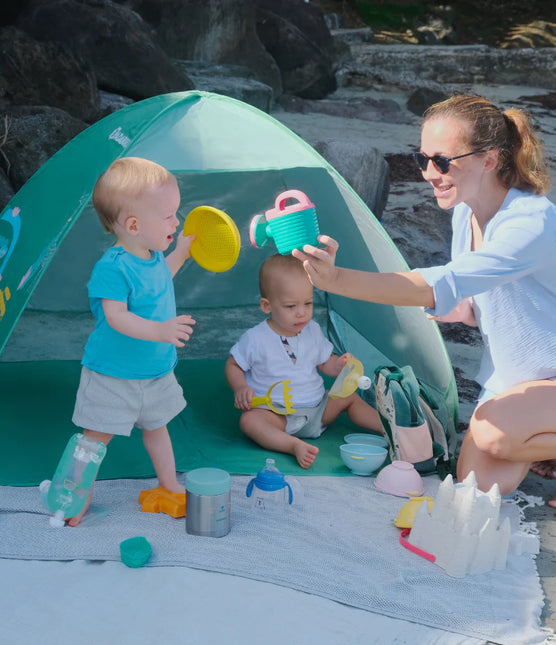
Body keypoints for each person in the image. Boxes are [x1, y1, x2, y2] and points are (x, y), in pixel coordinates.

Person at [293, 93, 556, 497]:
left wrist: (335, 279)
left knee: (490, 434)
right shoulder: (467, 211)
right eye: (422, 159)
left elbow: (440, 282)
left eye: (442, 161)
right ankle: (534, 434)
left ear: (489, 160)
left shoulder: (530, 224)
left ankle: (531, 432)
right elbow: (477, 297)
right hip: (519, 379)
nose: (428, 173)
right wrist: (462, 310)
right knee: (473, 489)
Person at [67, 156, 196, 525]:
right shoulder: (114, 266)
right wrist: (160, 330)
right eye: (169, 215)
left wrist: (181, 252)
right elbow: (116, 316)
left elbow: (159, 281)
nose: (177, 221)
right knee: (94, 438)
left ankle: (169, 483)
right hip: (114, 374)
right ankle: (75, 496)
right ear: (134, 225)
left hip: (153, 372)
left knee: (157, 429)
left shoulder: (153, 256)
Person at [225, 253, 382, 469]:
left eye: (308, 303)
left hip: (318, 410)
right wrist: (240, 386)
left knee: (350, 397)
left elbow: (325, 362)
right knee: (250, 421)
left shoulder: (313, 330)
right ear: (266, 306)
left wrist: (338, 366)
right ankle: (292, 445)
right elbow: (233, 364)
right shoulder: (256, 338)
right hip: (277, 415)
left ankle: (389, 429)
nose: (301, 313)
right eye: (291, 306)